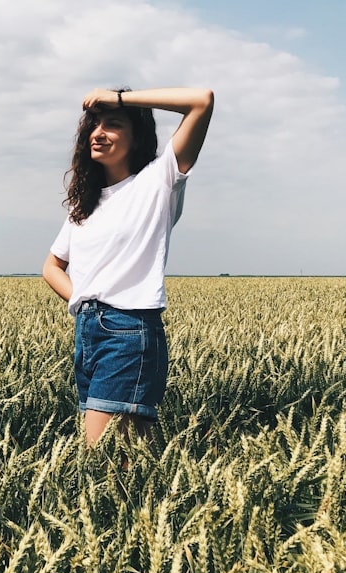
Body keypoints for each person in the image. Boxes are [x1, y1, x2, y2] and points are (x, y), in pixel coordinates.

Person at [42, 87, 214, 444]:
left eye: (113, 124)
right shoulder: (83, 206)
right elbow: (51, 267)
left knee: (100, 457)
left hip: (128, 331)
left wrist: (122, 99)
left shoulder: (157, 181)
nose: (97, 132)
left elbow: (201, 101)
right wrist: (86, 299)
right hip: (88, 331)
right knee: (129, 458)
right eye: (94, 125)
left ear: (136, 138)